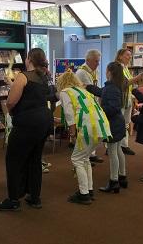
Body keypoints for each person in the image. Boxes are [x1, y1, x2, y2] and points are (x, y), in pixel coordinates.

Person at [0, 48, 53, 211]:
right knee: (35, 158)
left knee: (13, 159)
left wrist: (11, 110)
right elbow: (34, 94)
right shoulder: (45, 77)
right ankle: (34, 197)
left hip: (28, 122)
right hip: (44, 120)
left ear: (29, 59)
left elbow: (12, 101)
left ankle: (13, 199)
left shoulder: (23, 76)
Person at [57, 71, 111, 204]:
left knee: (76, 159)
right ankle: (89, 189)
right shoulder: (83, 91)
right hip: (101, 126)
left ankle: (84, 194)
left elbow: (69, 115)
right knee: (84, 158)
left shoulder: (65, 92)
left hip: (88, 128)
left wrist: (72, 133)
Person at [87, 62, 127, 193]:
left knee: (113, 152)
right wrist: (87, 86)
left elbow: (113, 107)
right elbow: (101, 92)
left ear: (109, 72)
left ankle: (114, 181)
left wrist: (97, 110)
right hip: (118, 123)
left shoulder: (111, 88)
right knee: (118, 150)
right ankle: (122, 176)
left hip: (113, 124)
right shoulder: (114, 86)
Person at [115, 48, 143, 155]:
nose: (130, 57)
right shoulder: (117, 68)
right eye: (127, 55)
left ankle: (124, 145)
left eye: (130, 55)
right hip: (120, 99)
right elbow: (124, 83)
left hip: (127, 98)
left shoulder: (126, 68)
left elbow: (129, 84)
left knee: (126, 123)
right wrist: (137, 78)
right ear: (120, 56)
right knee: (119, 123)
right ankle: (115, 145)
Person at [75, 49, 105, 162]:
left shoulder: (93, 71)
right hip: (84, 105)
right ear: (87, 60)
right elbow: (91, 89)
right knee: (86, 131)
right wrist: (105, 92)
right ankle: (85, 156)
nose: (98, 64)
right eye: (96, 61)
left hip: (93, 103)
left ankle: (91, 154)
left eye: (98, 61)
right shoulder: (81, 72)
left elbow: (96, 86)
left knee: (93, 130)